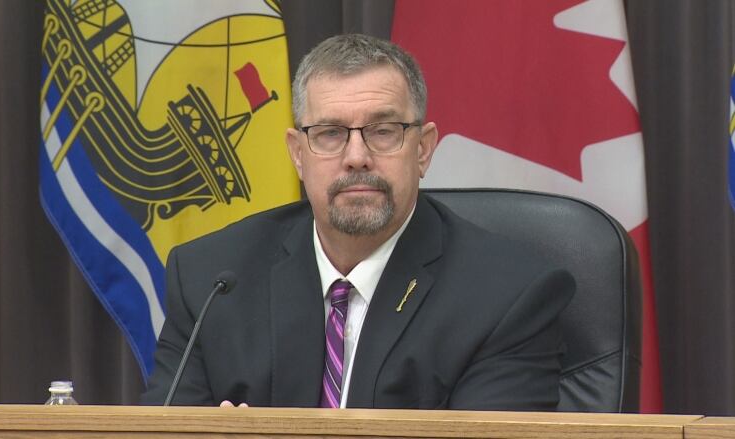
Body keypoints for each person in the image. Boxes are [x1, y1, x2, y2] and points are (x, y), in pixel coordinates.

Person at [141, 34, 575, 410]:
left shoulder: (507, 296)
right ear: (298, 154)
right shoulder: (212, 280)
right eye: (329, 133)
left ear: (423, 149)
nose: (356, 157)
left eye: (383, 130)